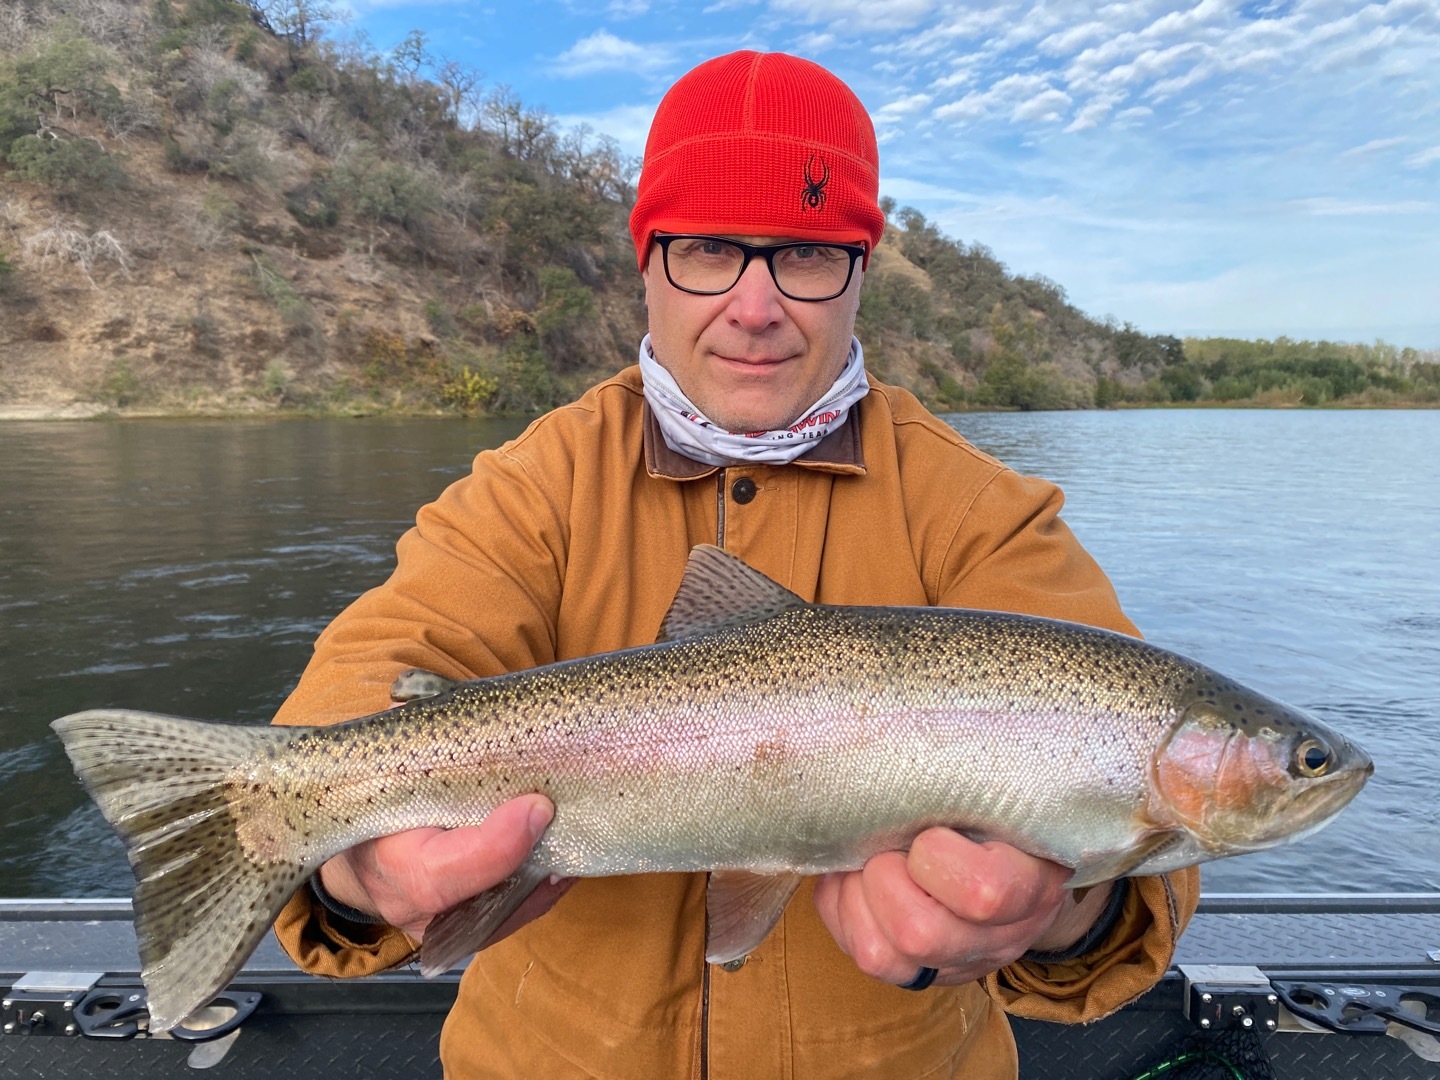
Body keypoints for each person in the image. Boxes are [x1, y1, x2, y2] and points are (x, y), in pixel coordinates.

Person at [271, 50, 1198, 1079]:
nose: (755, 307)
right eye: (709, 250)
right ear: (648, 262)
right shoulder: (531, 486)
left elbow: (1140, 813)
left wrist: (1067, 907)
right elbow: (365, 676)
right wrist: (356, 868)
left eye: (805, 255)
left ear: (860, 274)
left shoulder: (983, 511)